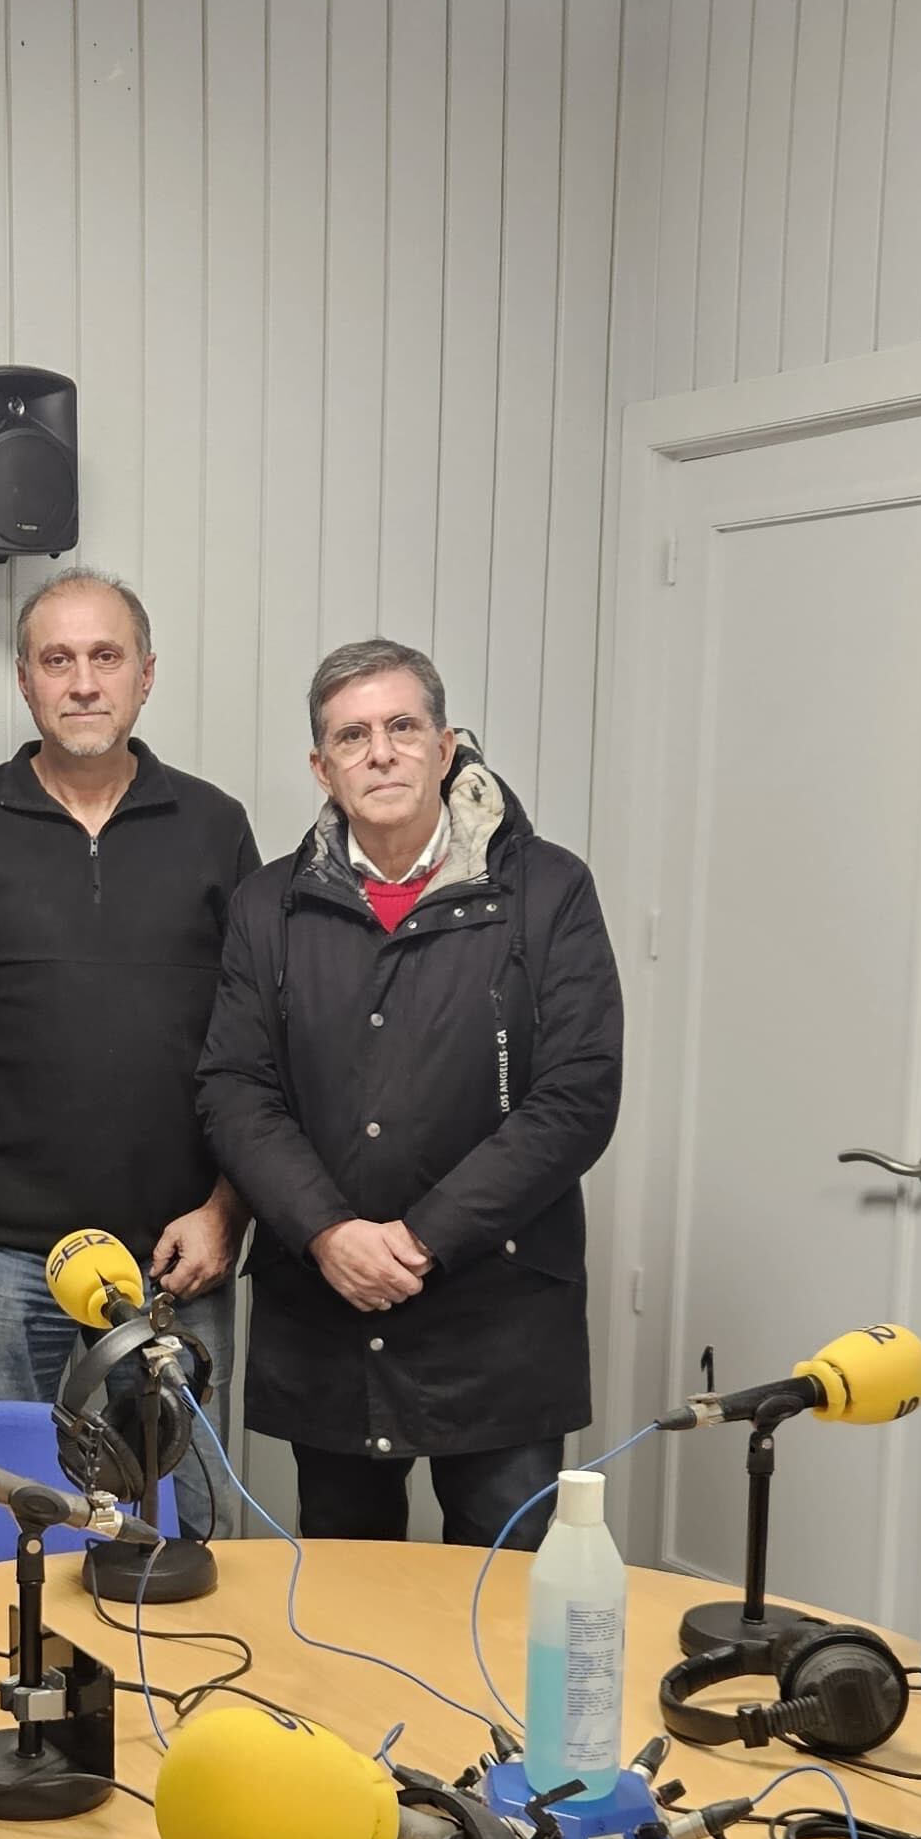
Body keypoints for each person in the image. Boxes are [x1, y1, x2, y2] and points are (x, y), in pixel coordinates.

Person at [197, 636, 622, 1548]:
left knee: (502, 1593)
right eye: (352, 737)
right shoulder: (267, 906)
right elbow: (235, 1088)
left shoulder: (548, 891)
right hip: (329, 1308)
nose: (380, 753)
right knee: (346, 1593)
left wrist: (422, 1239)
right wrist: (328, 1232)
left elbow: (578, 1096)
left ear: (445, 745)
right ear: (322, 768)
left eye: (401, 727)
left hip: (499, 1316)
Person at [0, 571, 257, 1452]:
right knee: (1, 1506)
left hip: (175, 1255)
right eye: (57, 660)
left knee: (181, 1511)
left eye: (107, 656)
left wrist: (227, 1212)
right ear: (25, 680)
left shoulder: (215, 828)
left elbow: (260, 1046)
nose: (84, 682)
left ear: (146, 674)